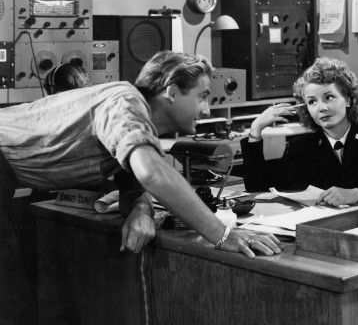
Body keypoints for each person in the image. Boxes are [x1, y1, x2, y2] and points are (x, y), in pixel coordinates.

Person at [0, 50, 281, 258]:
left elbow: (134, 180)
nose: (206, 110)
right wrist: (224, 236)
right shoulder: (126, 101)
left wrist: (142, 208)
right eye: (202, 96)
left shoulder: (134, 118)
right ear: (171, 91)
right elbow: (152, 173)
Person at [241, 57, 358, 206]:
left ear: (347, 99)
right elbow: (258, 185)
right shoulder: (301, 147)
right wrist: (256, 129)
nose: (321, 108)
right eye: (312, 102)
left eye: (329, 97)